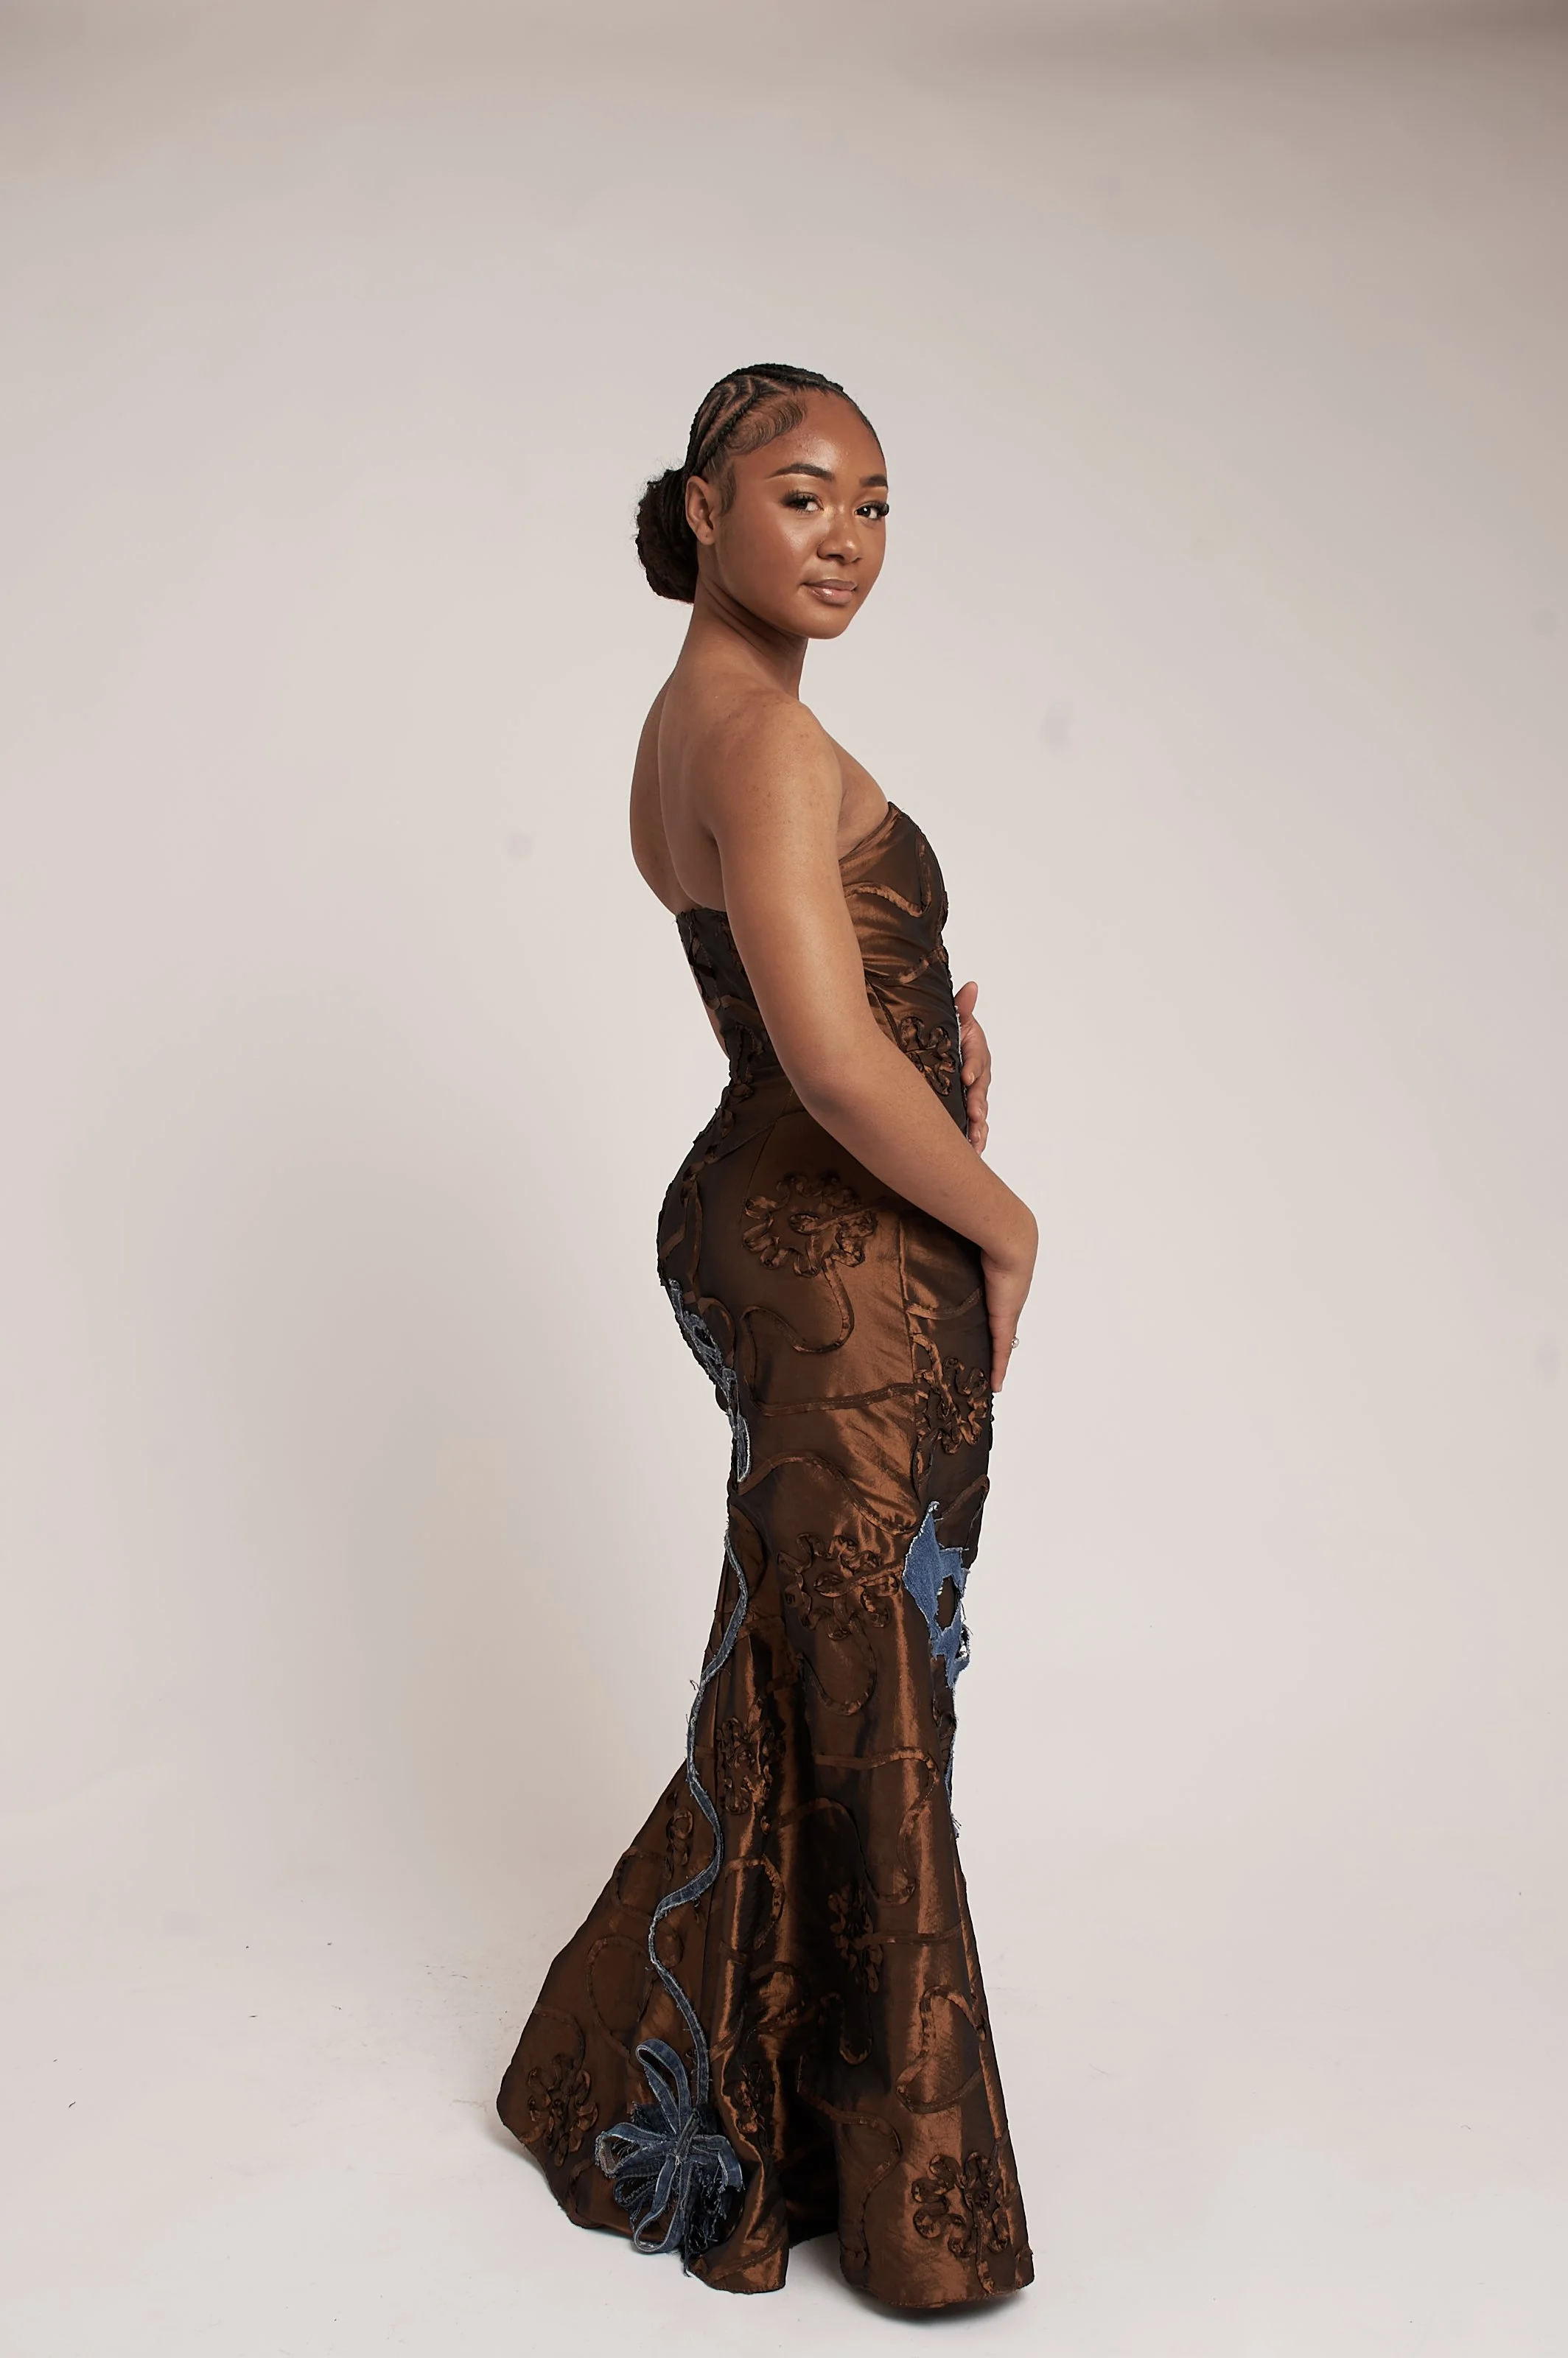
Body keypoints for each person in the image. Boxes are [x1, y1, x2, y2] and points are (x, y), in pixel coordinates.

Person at [497, 363, 1037, 2309]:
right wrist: (1004, 1216)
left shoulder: (689, 729)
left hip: (786, 1226)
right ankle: (912, 2217)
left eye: (876, 505)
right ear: (704, 509)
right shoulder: (764, 740)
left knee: (816, 1668)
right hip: (840, 1257)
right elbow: (825, 1059)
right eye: (804, 495)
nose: (848, 540)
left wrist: (928, 1080)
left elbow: (815, 1027)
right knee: (874, 1692)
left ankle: (708, 2090)